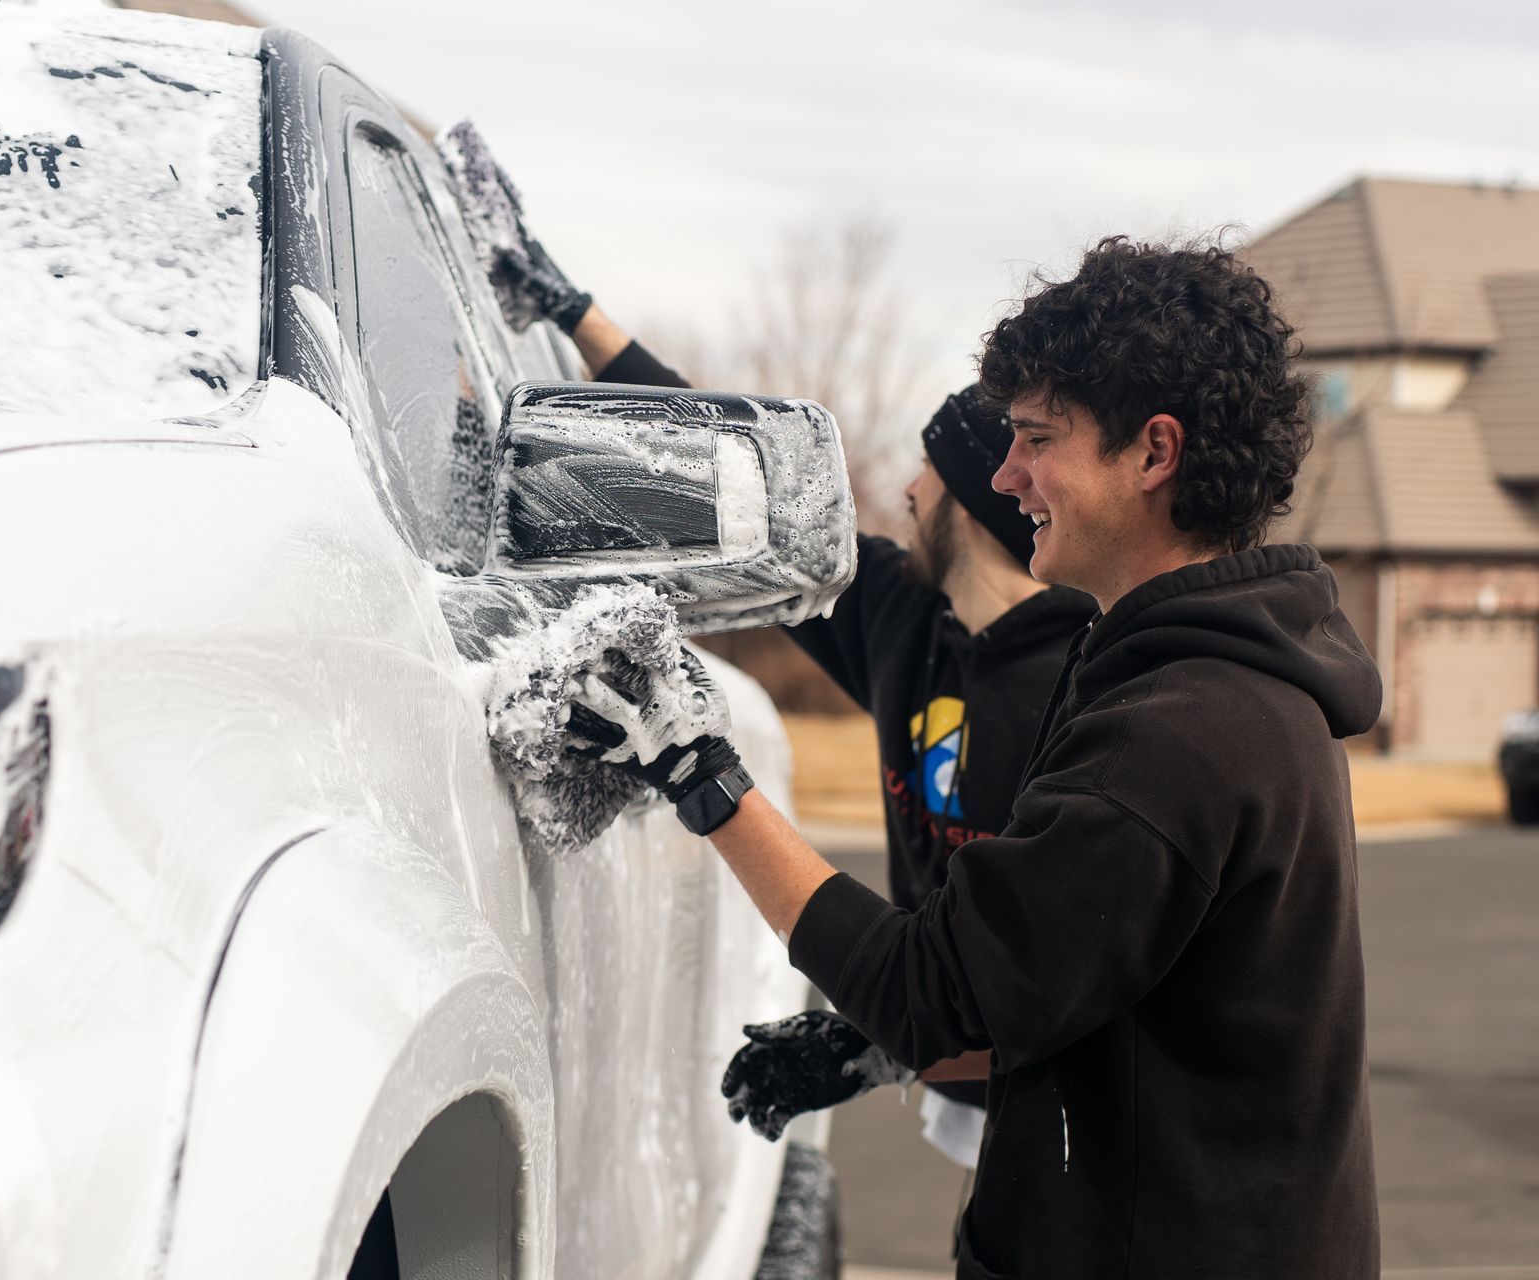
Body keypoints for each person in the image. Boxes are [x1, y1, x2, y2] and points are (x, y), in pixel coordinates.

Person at [577, 235, 1384, 1278]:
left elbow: (932, 988)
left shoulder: (1181, 733)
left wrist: (701, 774)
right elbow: (1066, 977)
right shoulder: (1196, 681)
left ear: (1154, 453)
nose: (1008, 476)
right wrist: (877, 1042)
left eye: (1039, 438)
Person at [437, 122, 1096, 1188]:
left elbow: (1070, 973)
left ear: (975, 503)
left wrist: (881, 1036)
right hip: (960, 1061)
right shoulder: (901, 614)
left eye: (926, 473)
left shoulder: (1082, 689)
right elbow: (721, 471)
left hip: (1070, 1117)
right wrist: (569, 309)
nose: (903, 491)